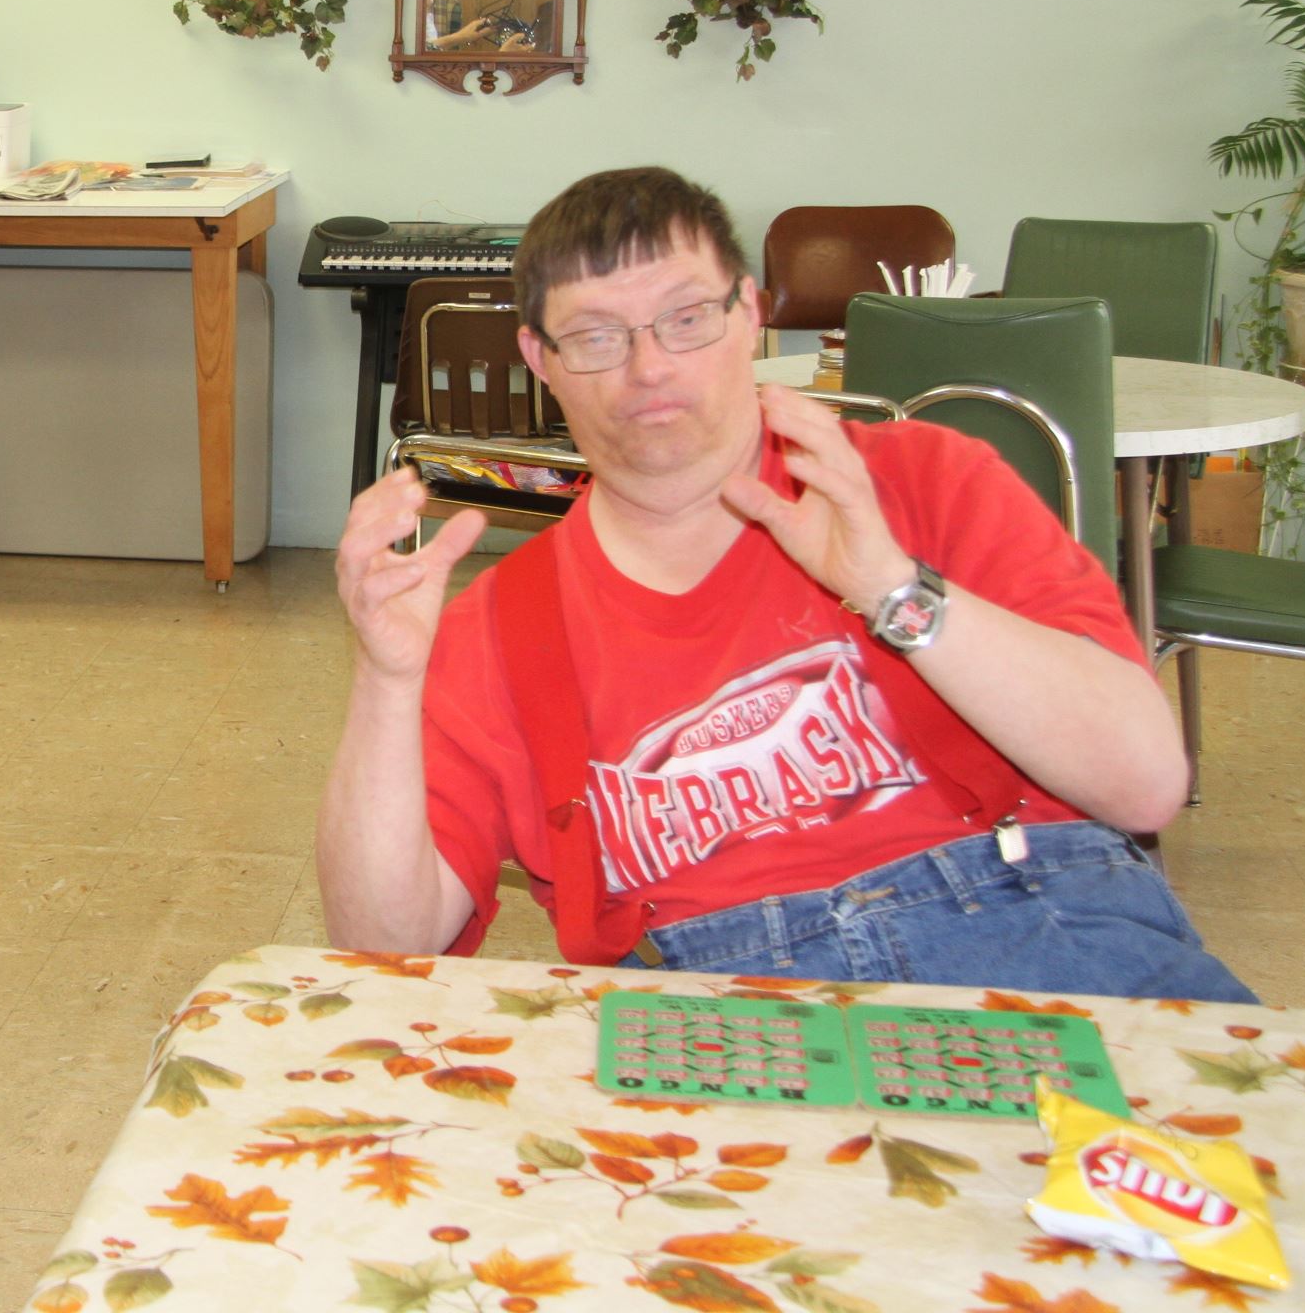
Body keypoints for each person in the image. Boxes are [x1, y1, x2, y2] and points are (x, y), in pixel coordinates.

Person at [319, 166, 1252, 1001]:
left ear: (750, 314)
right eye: (597, 336)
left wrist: (897, 592)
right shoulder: (497, 627)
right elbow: (382, 949)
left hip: (1047, 940)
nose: (650, 369)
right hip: (715, 1010)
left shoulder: (928, 482)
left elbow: (1144, 787)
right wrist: (385, 681)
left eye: (686, 318)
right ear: (540, 362)